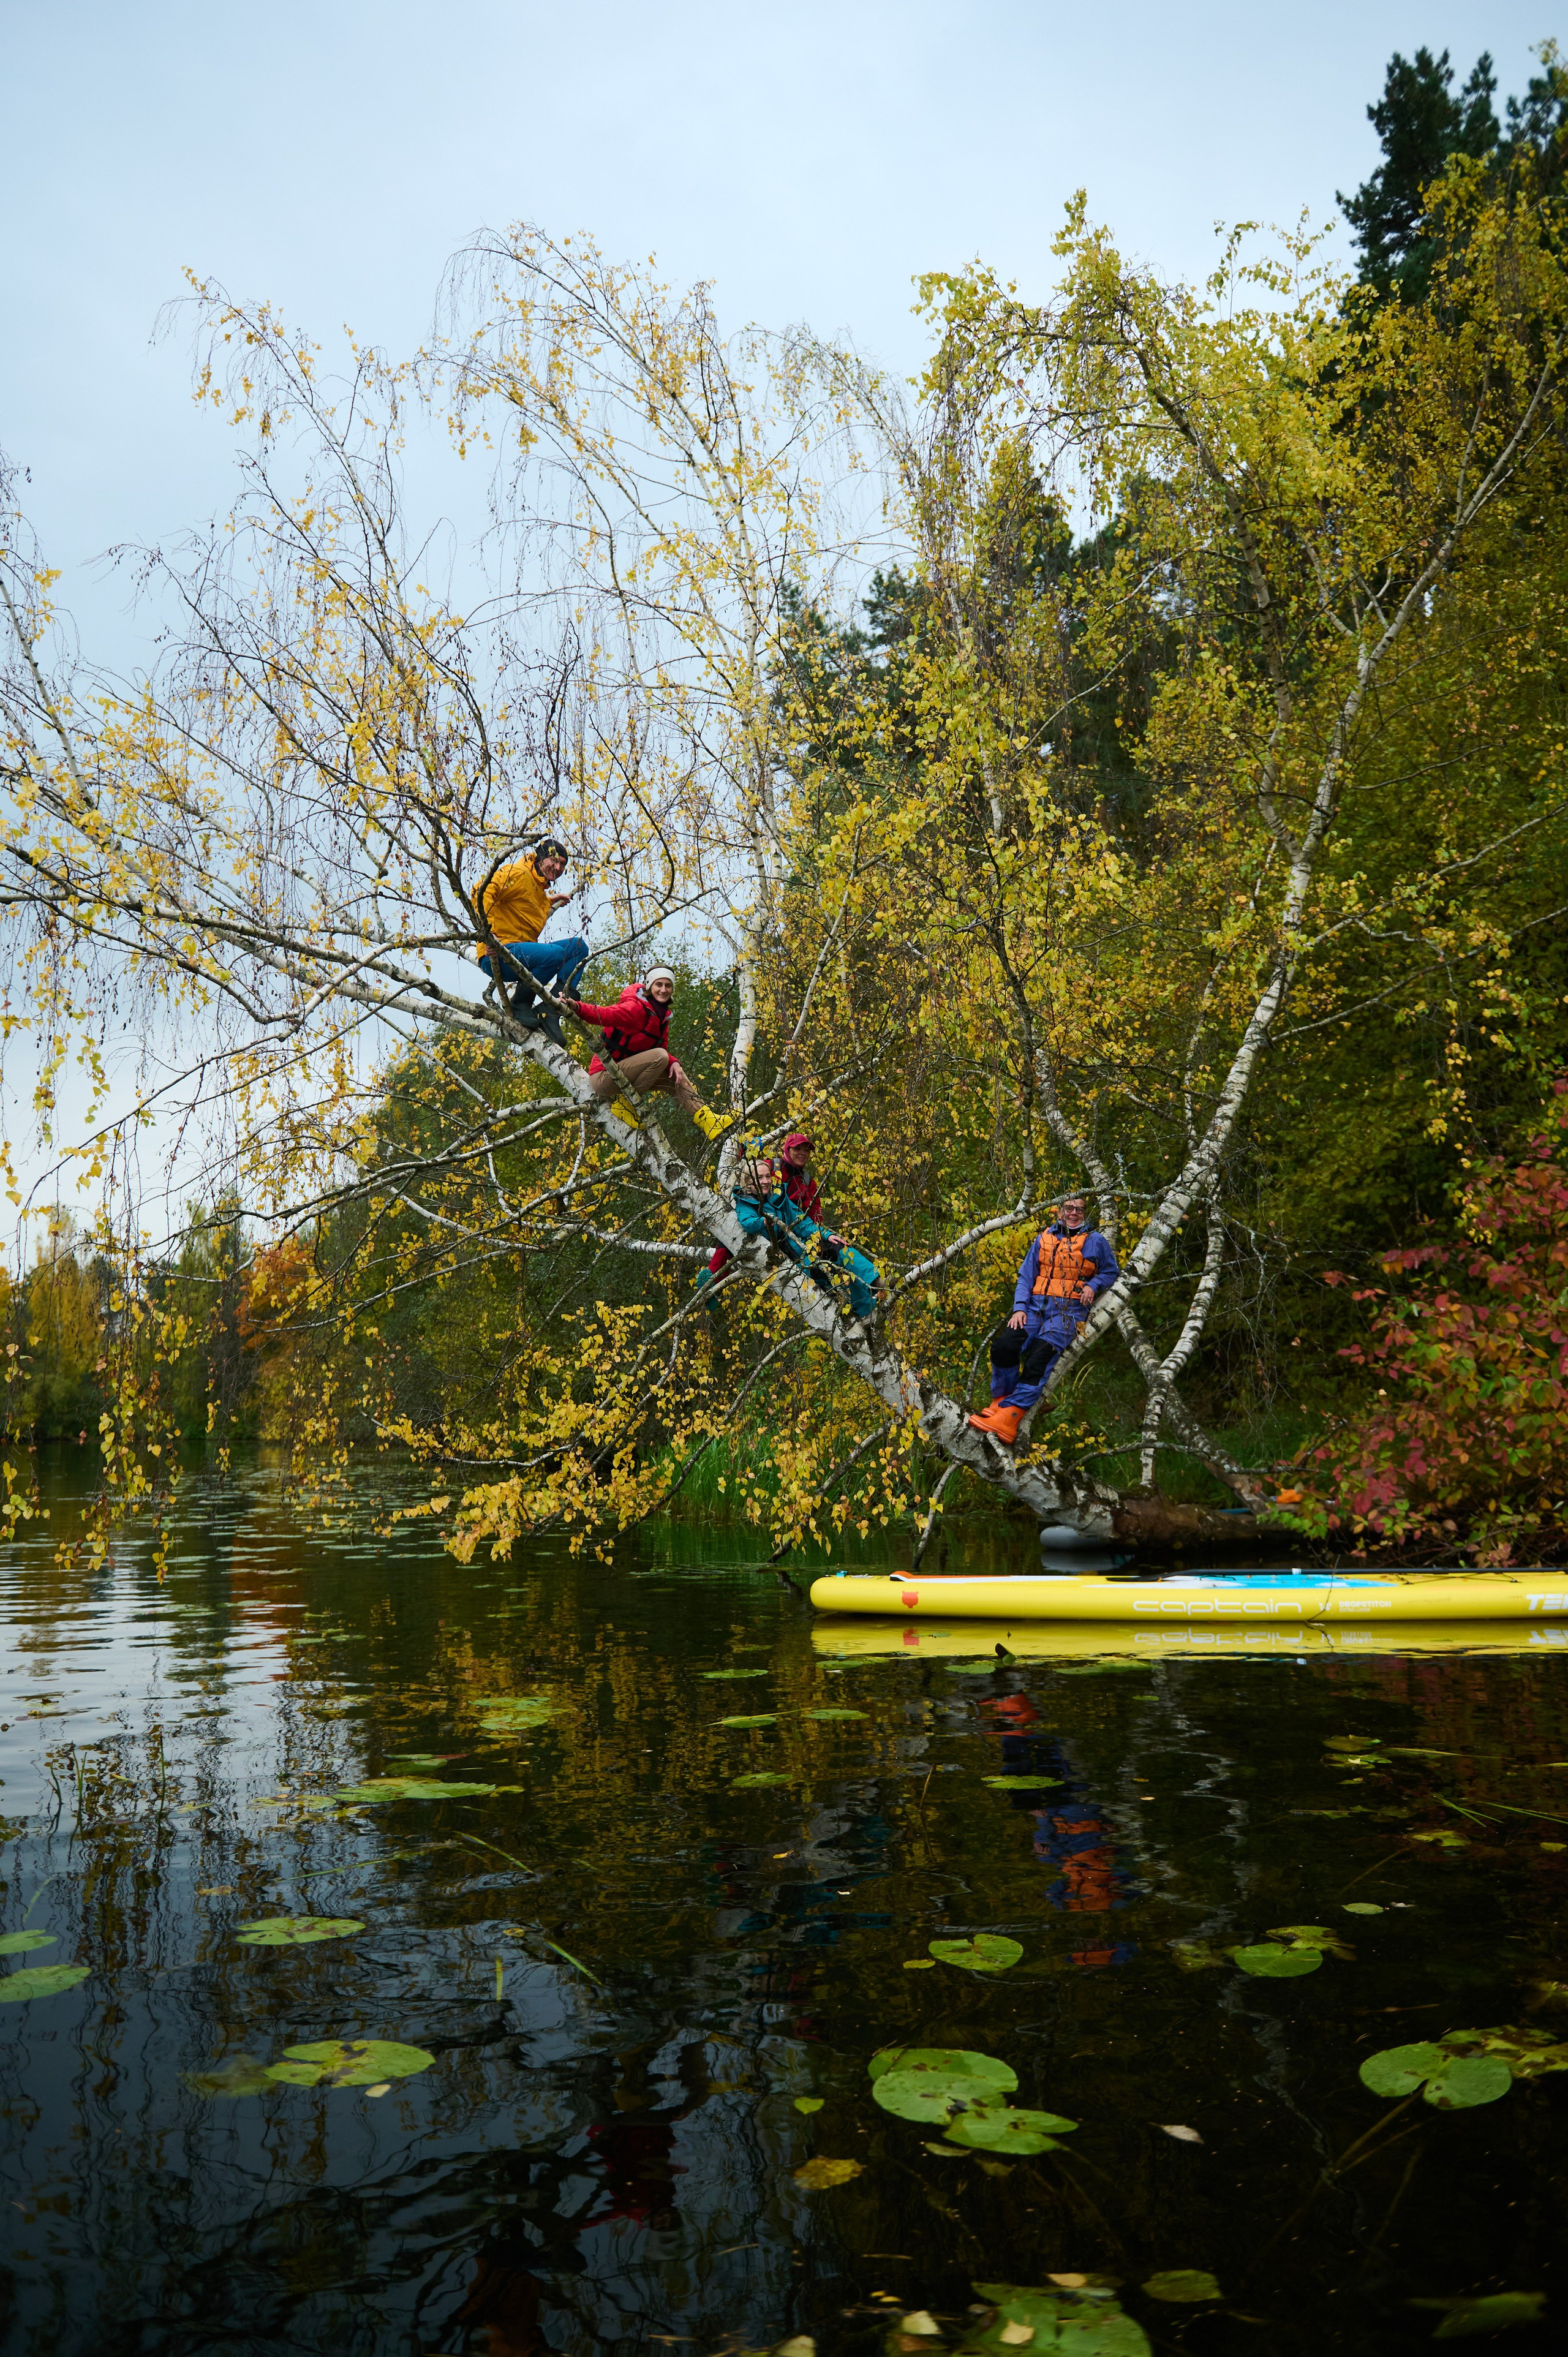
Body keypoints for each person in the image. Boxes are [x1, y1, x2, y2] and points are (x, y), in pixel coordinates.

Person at [967, 1191, 1119, 1446]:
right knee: (1005, 1347)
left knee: (1040, 1357)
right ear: (1059, 1211)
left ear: (1085, 1213)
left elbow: (1111, 1272)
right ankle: (1001, 1401)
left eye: (1079, 1210)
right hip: (1034, 1308)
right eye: (1069, 1208)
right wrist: (1019, 1309)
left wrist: (1094, 1285)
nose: (1073, 1213)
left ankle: (1010, 1417)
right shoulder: (1043, 1239)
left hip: (1068, 1313)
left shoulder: (1096, 1241)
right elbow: (1026, 1277)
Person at [565, 967, 733, 1142]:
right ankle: (625, 1105)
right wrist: (577, 1007)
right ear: (649, 987)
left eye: (668, 985)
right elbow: (605, 1014)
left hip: (626, 1073)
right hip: (604, 1077)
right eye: (658, 984)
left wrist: (675, 1063)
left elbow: (664, 1050)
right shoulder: (636, 1008)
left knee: (674, 1075)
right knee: (660, 1057)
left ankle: (709, 1121)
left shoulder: (662, 1017)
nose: (663, 990)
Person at [731, 1155, 882, 1322]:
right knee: (832, 1280)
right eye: (759, 1178)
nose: (766, 1181)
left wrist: (827, 1235)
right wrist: (764, 1221)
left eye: (768, 1176)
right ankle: (860, 1312)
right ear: (748, 1181)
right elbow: (747, 1223)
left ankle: (874, 1285)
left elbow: (802, 1223)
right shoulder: (745, 1204)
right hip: (794, 1263)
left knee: (842, 1250)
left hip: (806, 1247)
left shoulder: (778, 1196)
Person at [473, 837, 588, 1046]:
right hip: (499, 954)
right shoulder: (517, 873)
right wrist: (487, 934)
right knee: (555, 954)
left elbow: (523, 904)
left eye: (563, 864)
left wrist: (550, 900)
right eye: (554, 861)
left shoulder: (539, 888)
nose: (558, 867)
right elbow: (480, 891)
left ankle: (551, 1010)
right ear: (540, 858)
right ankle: (521, 1003)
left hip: (521, 954)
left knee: (578, 947)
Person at [703, 1129, 822, 1284]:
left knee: (804, 1268)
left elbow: (815, 1214)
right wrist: (746, 1149)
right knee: (731, 1233)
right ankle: (713, 1278)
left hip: (790, 1232)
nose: (803, 1153)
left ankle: (820, 1291)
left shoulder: (807, 1181)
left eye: (807, 1150)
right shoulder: (772, 1166)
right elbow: (745, 1168)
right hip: (762, 1222)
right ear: (788, 1149)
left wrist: (818, 1236)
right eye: (798, 1148)